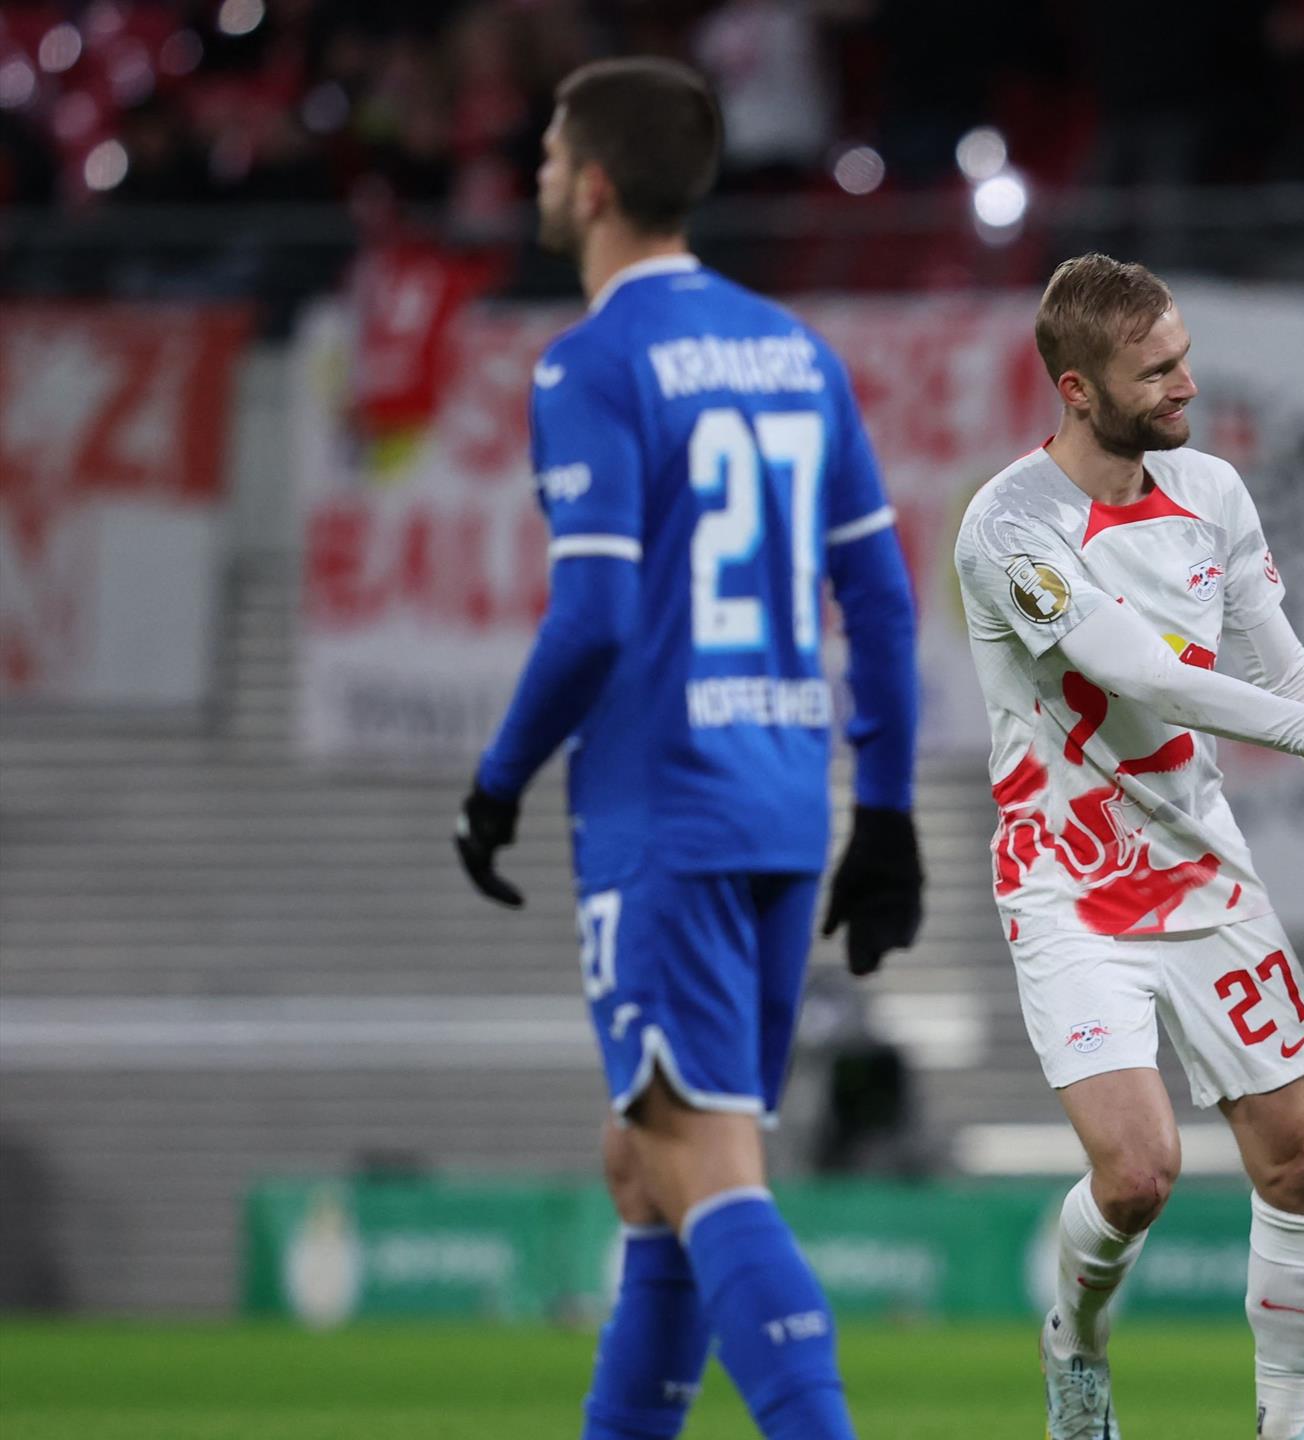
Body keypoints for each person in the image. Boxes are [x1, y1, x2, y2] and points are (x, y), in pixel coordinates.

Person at [448, 58, 925, 1440]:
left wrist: (497, 783)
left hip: (668, 815)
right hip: (785, 809)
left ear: (592, 183)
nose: (538, 176)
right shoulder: (796, 352)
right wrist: (883, 816)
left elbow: (592, 616)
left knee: (706, 1164)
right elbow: (881, 601)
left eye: (547, 154)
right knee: (647, 1166)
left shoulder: (591, 361)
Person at [951, 253, 1304, 1440]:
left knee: (1300, 1161)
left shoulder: (1212, 493)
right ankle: (1073, 1340)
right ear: (1078, 389)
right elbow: (1141, 673)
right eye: (1157, 369)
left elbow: (1275, 661)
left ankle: (1284, 1429)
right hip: (1067, 882)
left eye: (1185, 353)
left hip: (1202, 871)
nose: (1188, 382)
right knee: (1136, 1177)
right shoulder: (1009, 524)